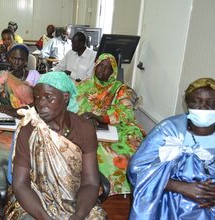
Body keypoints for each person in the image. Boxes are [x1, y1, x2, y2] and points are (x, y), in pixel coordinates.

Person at [4, 71, 106, 219]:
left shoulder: (85, 129)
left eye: (48, 97)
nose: (40, 104)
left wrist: (78, 215)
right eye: (37, 98)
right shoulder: (29, 129)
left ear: (65, 97)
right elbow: (20, 184)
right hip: (35, 199)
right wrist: (45, 218)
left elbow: (90, 182)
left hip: (75, 198)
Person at [128, 78, 215, 219]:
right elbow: (137, 169)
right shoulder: (169, 130)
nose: (203, 107)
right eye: (196, 101)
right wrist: (182, 187)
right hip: (168, 202)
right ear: (187, 103)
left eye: (211, 103)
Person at [76, 53, 145, 195]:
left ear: (113, 71)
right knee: (93, 150)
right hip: (88, 125)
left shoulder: (120, 89)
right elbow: (74, 106)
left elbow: (126, 112)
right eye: (100, 65)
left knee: (130, 148)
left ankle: (122, 187)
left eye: (107, 68)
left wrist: (101, 118)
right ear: (95, 66)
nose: (102, 70)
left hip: (117, 126)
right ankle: (96, 187)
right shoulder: (84, 85)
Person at [0, 44, 40, 186]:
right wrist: (7, 110)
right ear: (9, 59)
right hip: (7, 120)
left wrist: (22, 110)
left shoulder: (34, 76)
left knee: (26, 150)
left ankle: (20, 181)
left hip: (28, 120)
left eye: (20, 59)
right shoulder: (5, 76)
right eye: (13, 59)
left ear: (26, 61)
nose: (16, 62)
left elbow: (39, 101)